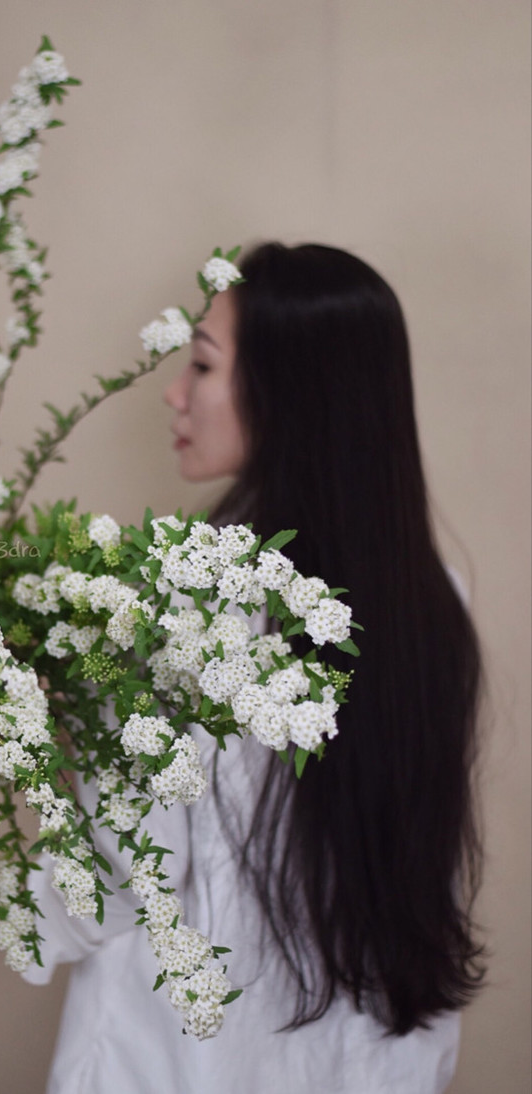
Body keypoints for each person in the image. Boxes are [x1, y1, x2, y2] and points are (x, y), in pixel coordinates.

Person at [24, 242, 484, 1093]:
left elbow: (113, 879)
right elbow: (432, 883)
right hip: (374, 1065)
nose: (174, 392)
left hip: (175, 1062)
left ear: (288, 392)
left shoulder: (178, 605)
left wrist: (43, 737)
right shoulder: (437, 604)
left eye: (202, 364)